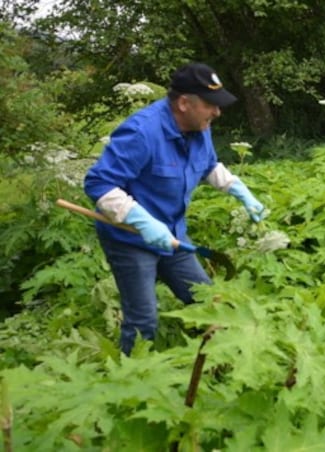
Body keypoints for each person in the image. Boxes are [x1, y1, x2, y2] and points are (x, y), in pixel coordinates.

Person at [84, 62, 265, 355]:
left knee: (207, 301)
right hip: (130, 238)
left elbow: (207, 165)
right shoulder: (141, 132)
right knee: (144, 320)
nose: (217, 113)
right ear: (184, 103)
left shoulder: (199, 127)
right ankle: (132, 383)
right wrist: (142, 221)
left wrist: (237, 189)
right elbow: (98, 184)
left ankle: (220, 361)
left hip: (174, 234)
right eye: (211, 105)